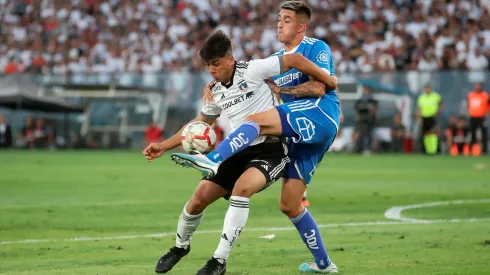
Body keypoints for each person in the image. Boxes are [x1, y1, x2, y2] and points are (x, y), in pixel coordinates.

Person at [143, 30, 335, 275]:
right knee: (198, 199)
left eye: (215, 64)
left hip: (271, 149)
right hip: (238, 149)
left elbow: (292, 60)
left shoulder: (254, 70)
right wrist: (162, 145)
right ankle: (180, 247)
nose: (211, 70)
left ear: (230, 59)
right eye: (207, 66)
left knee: (241, 190)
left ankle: (219, 261)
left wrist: (328, 80)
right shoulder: (215, 91)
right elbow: (199, 124)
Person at [417, 84, 443, 155]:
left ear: (430, 89)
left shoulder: (435, 96)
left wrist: (437, 112)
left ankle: (435, 150)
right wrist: (419, 117)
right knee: (425, 134)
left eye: (428, 88)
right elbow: (419, 108)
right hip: (424, 117)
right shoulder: (421, 97)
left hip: (432, 117)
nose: (427, 90)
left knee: (434, 133)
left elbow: (441, 104)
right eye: (426, 88)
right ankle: (426, 150)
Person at [354, 86, 378, 155]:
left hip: (369, 121)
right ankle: (359, 149)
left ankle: (367, 149)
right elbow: (356, 110)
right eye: (364, 90)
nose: (365, 92)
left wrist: (372, 113)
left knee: (368, 135)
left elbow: (375, 109)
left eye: (366, 90)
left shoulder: (372, 101)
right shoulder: (359, 101)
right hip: (361, 121)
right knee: (360, 135)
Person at [467, 82, 489, 156]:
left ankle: (485, 150)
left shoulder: (485, 95)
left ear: (481, 87)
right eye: (476, 86)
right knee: (472, 134)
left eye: (478, 86)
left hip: (482, 117)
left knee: (484, 134)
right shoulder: (471, 95)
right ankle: (472, 150)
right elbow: (469, 105)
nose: (477, 87)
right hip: (473, 117)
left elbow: (488, 105)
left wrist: (486, 113)